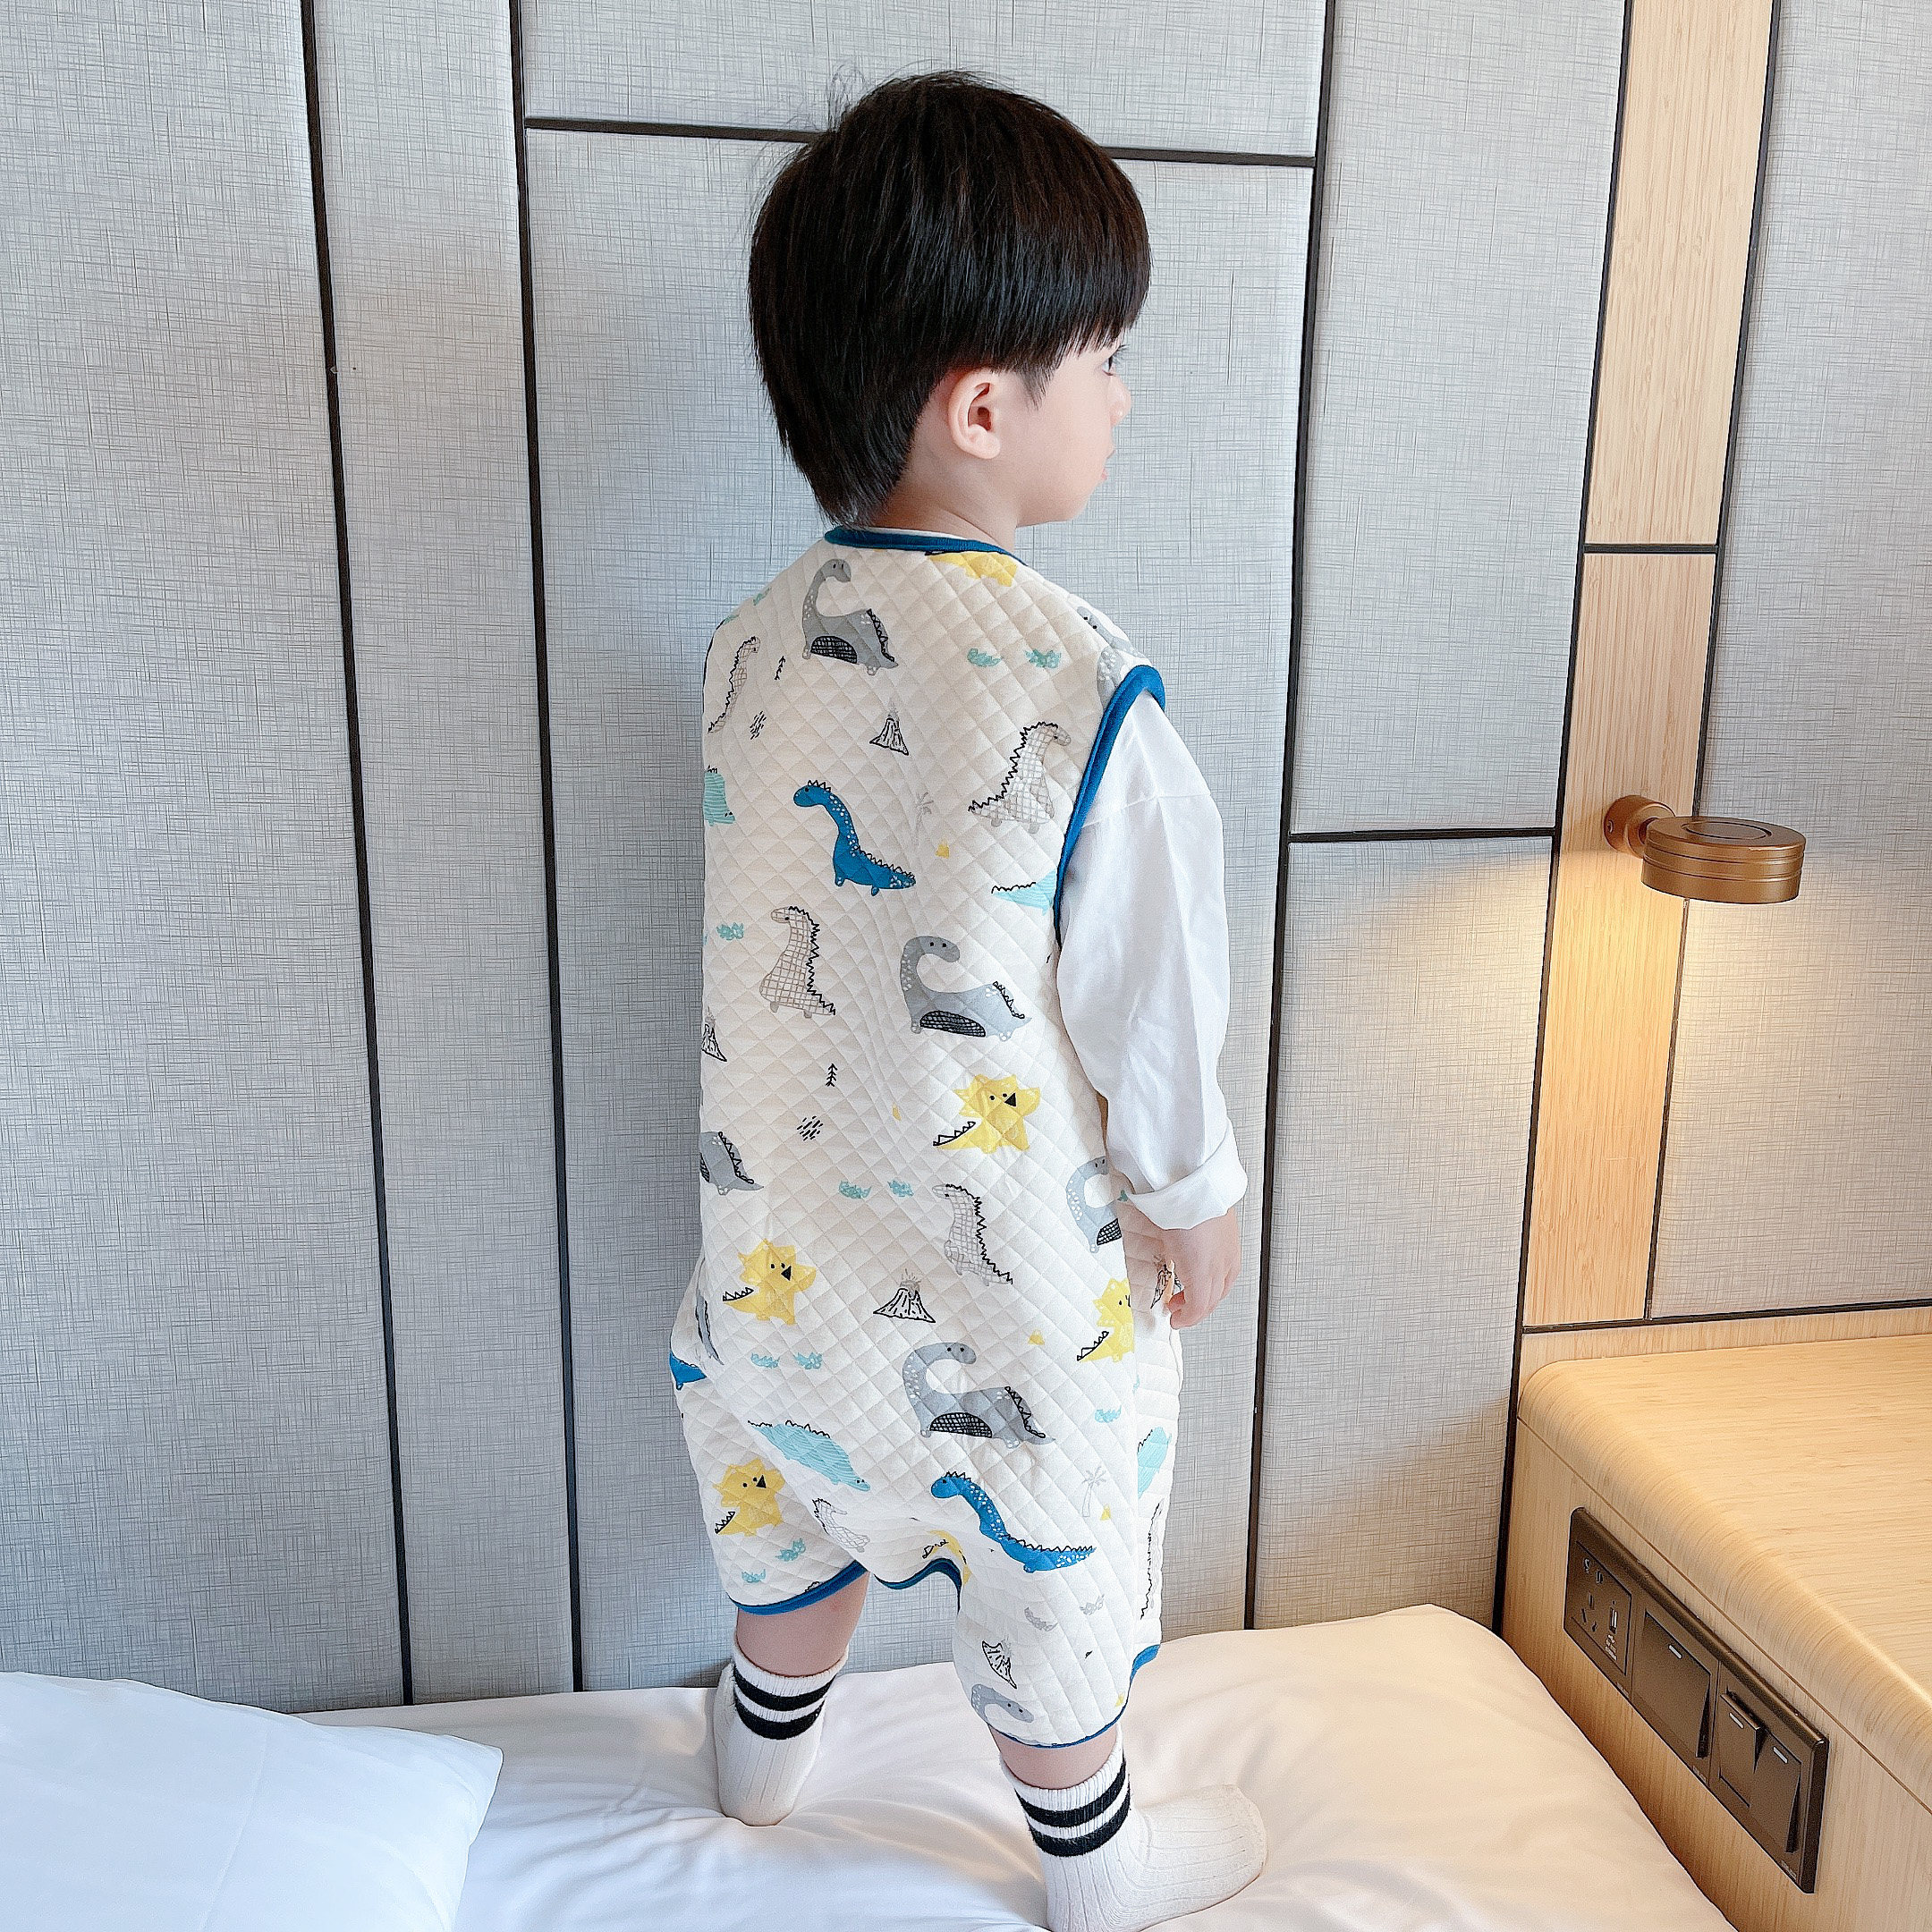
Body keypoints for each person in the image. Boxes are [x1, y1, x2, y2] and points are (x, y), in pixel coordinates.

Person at [668, 69, 1265, 1932]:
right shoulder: (1083, 686)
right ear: (986, 408)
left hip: (782, 1268)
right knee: (1047, 1550)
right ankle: (1093, 1864)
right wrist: (1191, 1193)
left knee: (794, 1499)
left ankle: (758, 1762)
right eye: (1107, 360)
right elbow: (1151, 990)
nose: (1126, 397)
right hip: (1012, 1294)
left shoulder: (745, 654)